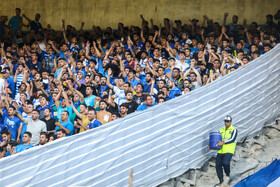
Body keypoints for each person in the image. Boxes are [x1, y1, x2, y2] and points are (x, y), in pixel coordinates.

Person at [215, 115, 238, 186]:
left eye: (227, 122)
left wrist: (223, 142)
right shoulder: (221, 130)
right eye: (225, 121)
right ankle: (221, 181)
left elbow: (232, 139)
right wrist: (212, 145)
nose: (226, 123)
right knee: (218, 165)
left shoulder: (234, 130)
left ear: (231, 122)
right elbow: (217, 140)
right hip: (221, 151)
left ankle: (228, 176)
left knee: (225, 163)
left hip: (229, 150)